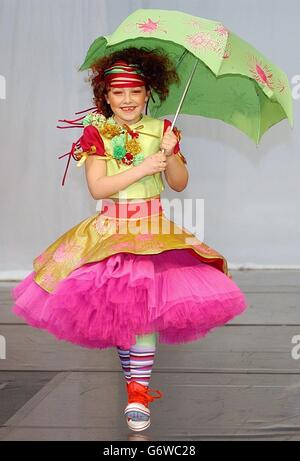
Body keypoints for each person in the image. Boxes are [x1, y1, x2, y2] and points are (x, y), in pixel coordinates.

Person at [11, 47, 249, 432]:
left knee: (144, 315)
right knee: (125, 315)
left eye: (134, 91)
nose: (126, 100)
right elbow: (98, 188)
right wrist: (142, 166)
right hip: (111, 230)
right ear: (105, 96)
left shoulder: (162, 131)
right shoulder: (97, 131)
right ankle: (133, 386)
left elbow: (178, 183)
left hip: (152, 230)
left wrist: (169, 156)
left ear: (147, 93)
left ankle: (139, 391)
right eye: (117, 92)